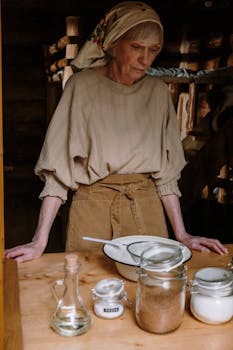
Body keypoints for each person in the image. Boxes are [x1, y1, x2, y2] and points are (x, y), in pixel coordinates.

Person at [5, 1, 228, 263]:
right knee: (90, 291)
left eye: (153, 50)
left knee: (147, 292)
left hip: (146, 211)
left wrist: (182, 234)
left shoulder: (157, 93)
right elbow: (58, 171)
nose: (145, 59)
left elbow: (167, 176)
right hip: (93, 209)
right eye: (136, 47)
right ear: (113, 43)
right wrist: (39, 241)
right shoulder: (82, 87)